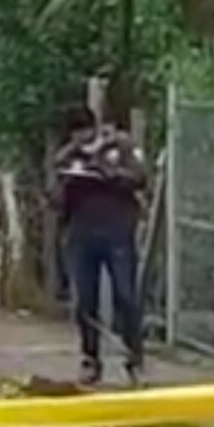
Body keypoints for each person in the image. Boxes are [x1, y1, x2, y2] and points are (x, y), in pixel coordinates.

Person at [51, 105, 147, 386]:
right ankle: (90, 358)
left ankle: (134, 359)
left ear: (94, 128)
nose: (81, 140)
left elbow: (141, 178)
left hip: (117, 232)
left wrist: (111, 173)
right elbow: (54, 198)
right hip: (81, 234)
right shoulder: (68, 155)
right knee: (84, 301)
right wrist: (66, 180)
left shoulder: (121, 145)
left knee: (126, 296)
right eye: (75, 135)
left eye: (84, 133)